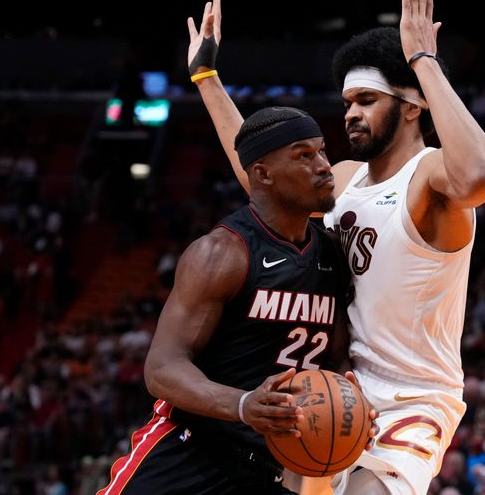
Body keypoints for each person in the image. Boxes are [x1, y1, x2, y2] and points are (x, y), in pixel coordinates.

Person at [188, 0, 485, 494]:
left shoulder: (430, 178)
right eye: (348, 101)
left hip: (412, 397)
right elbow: (261, 175)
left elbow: (481, 177)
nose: (350, 113)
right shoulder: (350, 178)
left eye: (365, 100)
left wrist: (424, 62)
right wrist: (207, 79)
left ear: (411, 105)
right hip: (337, 389)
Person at [97, 107, 353, 494]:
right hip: (188, 456)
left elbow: (332, 362)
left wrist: (352, 413)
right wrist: (243, 403)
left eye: (322, 152)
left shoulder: (333, 254)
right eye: (304, 155)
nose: (324, 166)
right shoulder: (221, 253)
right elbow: (162, 369)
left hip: (267, 469)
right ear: (262, 174)